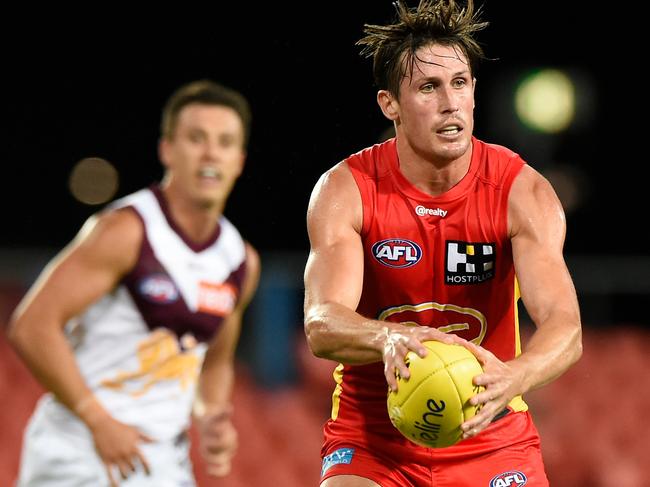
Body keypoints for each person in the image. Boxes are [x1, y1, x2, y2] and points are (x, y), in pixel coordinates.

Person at [303, 1, 582, 486]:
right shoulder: (346, 189)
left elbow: (565, 328)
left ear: (474, 90)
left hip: (490, 430)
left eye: (460, 83)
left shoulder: (523, 192)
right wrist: (387, 337)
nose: (450, 102)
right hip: (372, 437)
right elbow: (322, 322)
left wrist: (515, 377)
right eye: (428, 88)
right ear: (389, 104)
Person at [8, 79, 260, 486]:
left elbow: (215, 359)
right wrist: (97, 419)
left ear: (240, 160)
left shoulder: (239, 260)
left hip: (162, 461)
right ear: (167, 149)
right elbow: (32, 325)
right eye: (197, 138)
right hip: (80, 452)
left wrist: (212, 415)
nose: (212, 152)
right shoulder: (124, 231)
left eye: (225, 142)